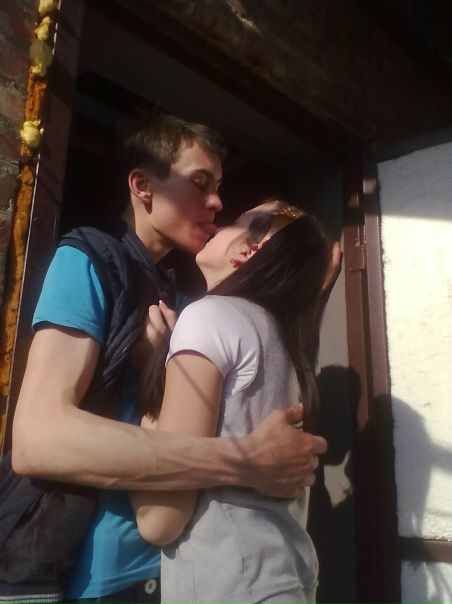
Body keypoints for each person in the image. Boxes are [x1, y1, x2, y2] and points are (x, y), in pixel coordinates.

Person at [9, 115, 328, 604]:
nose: (217, 202)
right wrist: (246, 461)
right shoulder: (88, 259)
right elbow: (38, 439)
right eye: (200, 183)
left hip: (173, 567)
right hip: (86, 574)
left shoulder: (185, 295)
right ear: (143, 187)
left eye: (218, 188)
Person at [132, 200, 336, 604]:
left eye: (236, 222)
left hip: (230, 583)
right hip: (283, 577)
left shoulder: (209, 315)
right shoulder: (286, 346)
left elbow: (160, 521)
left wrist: (150, 409)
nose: (217, 225)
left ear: (247, 251)